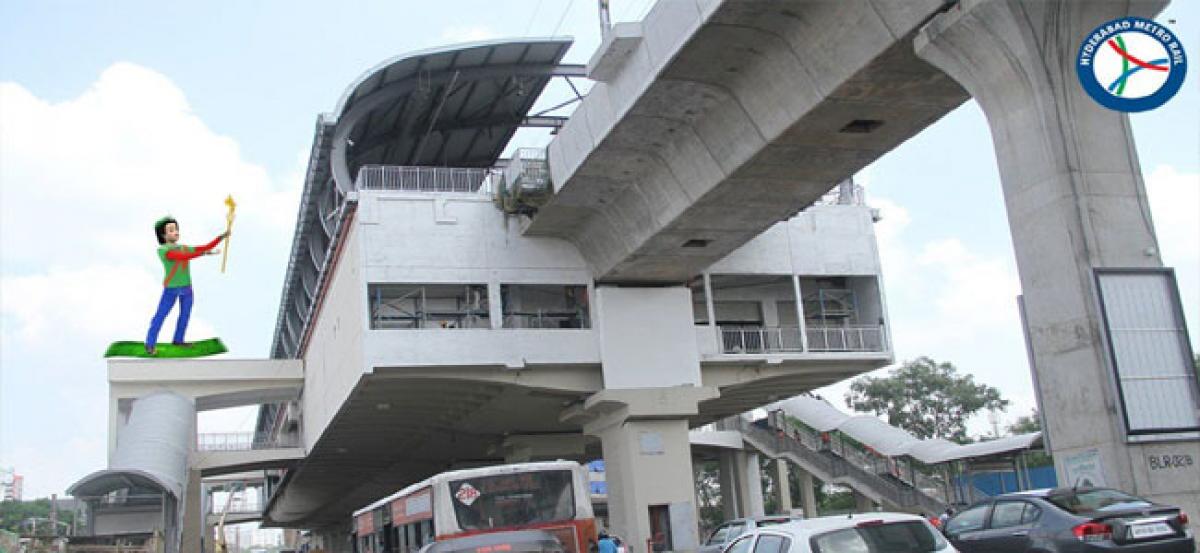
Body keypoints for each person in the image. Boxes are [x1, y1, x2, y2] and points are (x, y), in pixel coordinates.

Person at [144, 216, 227, 355]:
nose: (175, 232)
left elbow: (204, 247)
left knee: (185, 315)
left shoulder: (183, 248)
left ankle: (178, 339)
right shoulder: (163, 250)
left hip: (187, 288)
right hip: (171, 289)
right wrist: (204, 253)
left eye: (176, 229)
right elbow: (181, 257)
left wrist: (221, 237)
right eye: (171, 230)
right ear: (163, 235)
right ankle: (150, 344)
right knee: (160, 316)